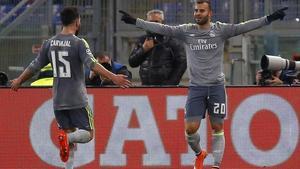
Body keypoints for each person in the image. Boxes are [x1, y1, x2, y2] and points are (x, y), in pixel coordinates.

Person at [119, 1, 287, 169]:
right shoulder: (187, 31)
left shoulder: (220, 30)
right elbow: (163, 29)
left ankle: (216, 165)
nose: (197, 13)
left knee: (217, 126)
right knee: (190, 130)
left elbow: (244, 27)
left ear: (210, 13)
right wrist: (136, 22)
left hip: (216, 87)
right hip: (196, 87)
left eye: (201, 10)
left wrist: (269, 18)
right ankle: (200, 154)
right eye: (195, 10)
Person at [11, 7, 131, 169]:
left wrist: (19, 80)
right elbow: (93, 64)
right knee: (87, 135)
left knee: (70, 138)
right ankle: (67, 140)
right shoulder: (78, 43)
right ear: (77, 21)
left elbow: (34, 66)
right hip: (76, 97)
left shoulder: (49, 43)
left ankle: (69, 166)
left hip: (58, 99)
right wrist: (114, 77)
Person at [129, 9, 186, 85]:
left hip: (166, 88)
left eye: (156, 22)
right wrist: (144, 49)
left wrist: (171, 84)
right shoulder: (142, 40)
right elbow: (132, 63)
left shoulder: (173, 40)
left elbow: (182, 64)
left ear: (163, 23)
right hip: (146, 86)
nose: (153, 25)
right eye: (150, 22)